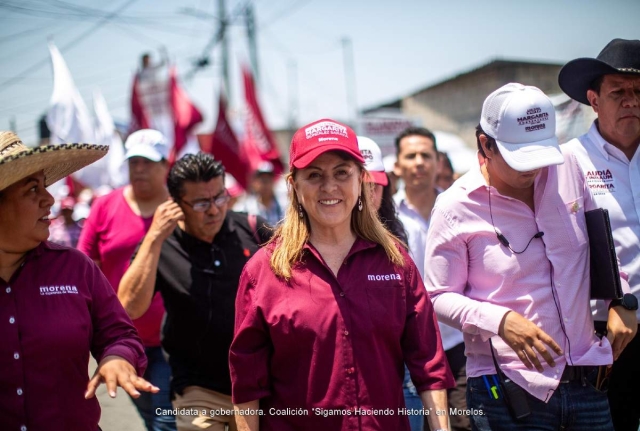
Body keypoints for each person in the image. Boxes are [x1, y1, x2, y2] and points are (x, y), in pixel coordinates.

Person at [424, 83, 638, 430]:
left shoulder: (568, 168)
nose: (533, 169)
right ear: (485, 145)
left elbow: (600, 247)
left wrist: (621, 299)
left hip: (588, 380)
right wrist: (500, 320)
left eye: (540, 153)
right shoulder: (455, 206)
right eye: (520, 156)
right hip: (508, 389)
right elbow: (437, 297)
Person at [229, 118, 454, 431]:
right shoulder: (263, 271)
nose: (329, 186)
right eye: (314, 175)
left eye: (341, 173)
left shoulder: (396, 262)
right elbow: (247, 383)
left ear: (361, 179)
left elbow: (428, 364)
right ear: (294, 185)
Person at [0, 131, 157, 431]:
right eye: (32, 189)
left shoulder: (75, 268)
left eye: (44, 185)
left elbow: (119, 334)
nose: (49, 199)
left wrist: (117, 358)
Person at [118, 152, 271, 431]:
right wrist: (154, 237)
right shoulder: (161, 245)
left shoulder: (252, 228)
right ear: (176, 204)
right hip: (197, 388)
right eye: (201, 202)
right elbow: (128, 307)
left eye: (220, 197)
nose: (214, 210)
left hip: (258, 384)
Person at [558, 38, 640, 431]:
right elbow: (564, 248)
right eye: (619, 92)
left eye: (639, 91)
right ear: (593, 99)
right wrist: (615, 298)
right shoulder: (569, 159)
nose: (631, 101)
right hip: (612, 331)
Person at [77, 129, 177, 431]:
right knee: (150, 415)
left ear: (165, 166)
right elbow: (83, 265)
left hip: (169, 341)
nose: (139, 169)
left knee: (165, 419)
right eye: (134, 162)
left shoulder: (179, 209)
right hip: (120, 338)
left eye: (147, 162)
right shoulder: (105, 206)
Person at [393, 127, 469, 431]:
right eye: (410, 156)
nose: (419, 162)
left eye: (426, 155)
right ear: (397, 165)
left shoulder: (459, 208)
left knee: (466, 423)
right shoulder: (384, 217)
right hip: (409, 347)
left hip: (459, 341)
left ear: (439, 162)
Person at [234, 161, 285, 226]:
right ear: (254, 183)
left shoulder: (284, 205)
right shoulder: (245, 207)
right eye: (262, 180)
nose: (265, 184)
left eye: (268, 180)